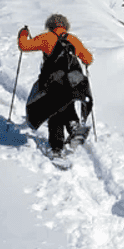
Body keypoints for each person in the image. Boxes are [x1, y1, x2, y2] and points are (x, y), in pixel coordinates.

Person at [19, 13, 94, 156]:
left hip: (52, 80)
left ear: (50, 26)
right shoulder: (72, 39)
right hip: (72, 80)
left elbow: (24, 46)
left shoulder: (46, 38)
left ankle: (56, 148)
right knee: (68, 103)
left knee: (54, 111)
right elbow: (88, 59)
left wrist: (23, 33)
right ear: (65, 26)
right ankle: (74, 127)